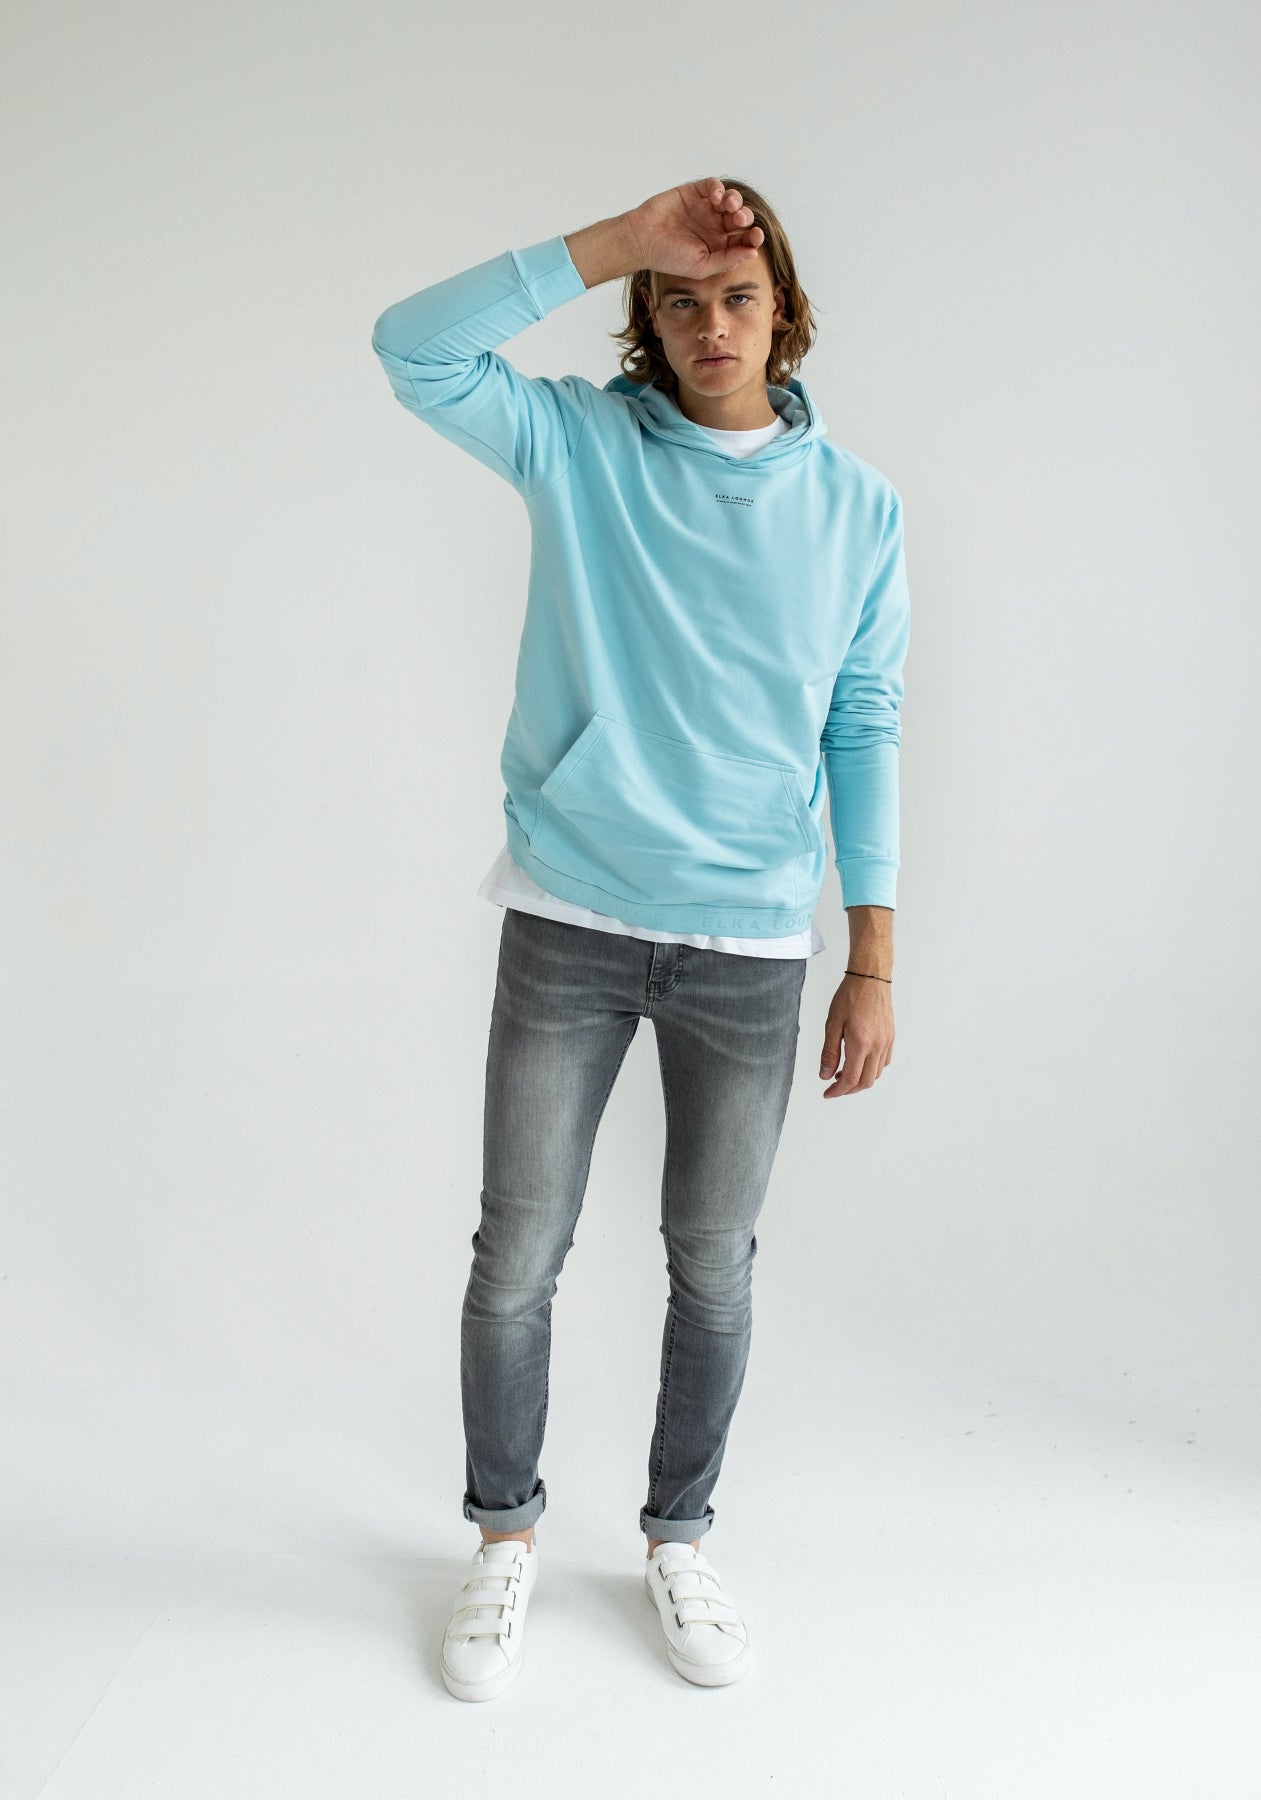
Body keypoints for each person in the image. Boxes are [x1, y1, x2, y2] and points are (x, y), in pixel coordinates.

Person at [370, 176, 911, 1700]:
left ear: (782, 315)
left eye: (738, 296)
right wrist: (619, 240)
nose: (710, 324)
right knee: (515, 1255)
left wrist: (870, 955)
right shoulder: (578, 444)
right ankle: (503, 1538)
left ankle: (678, 1537)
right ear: (647, 322)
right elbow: (411, 348)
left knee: (713, 1263)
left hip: (749, 943)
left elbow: (863, 724)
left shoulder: (857, 509)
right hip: (570, 915)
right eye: (679, 299)